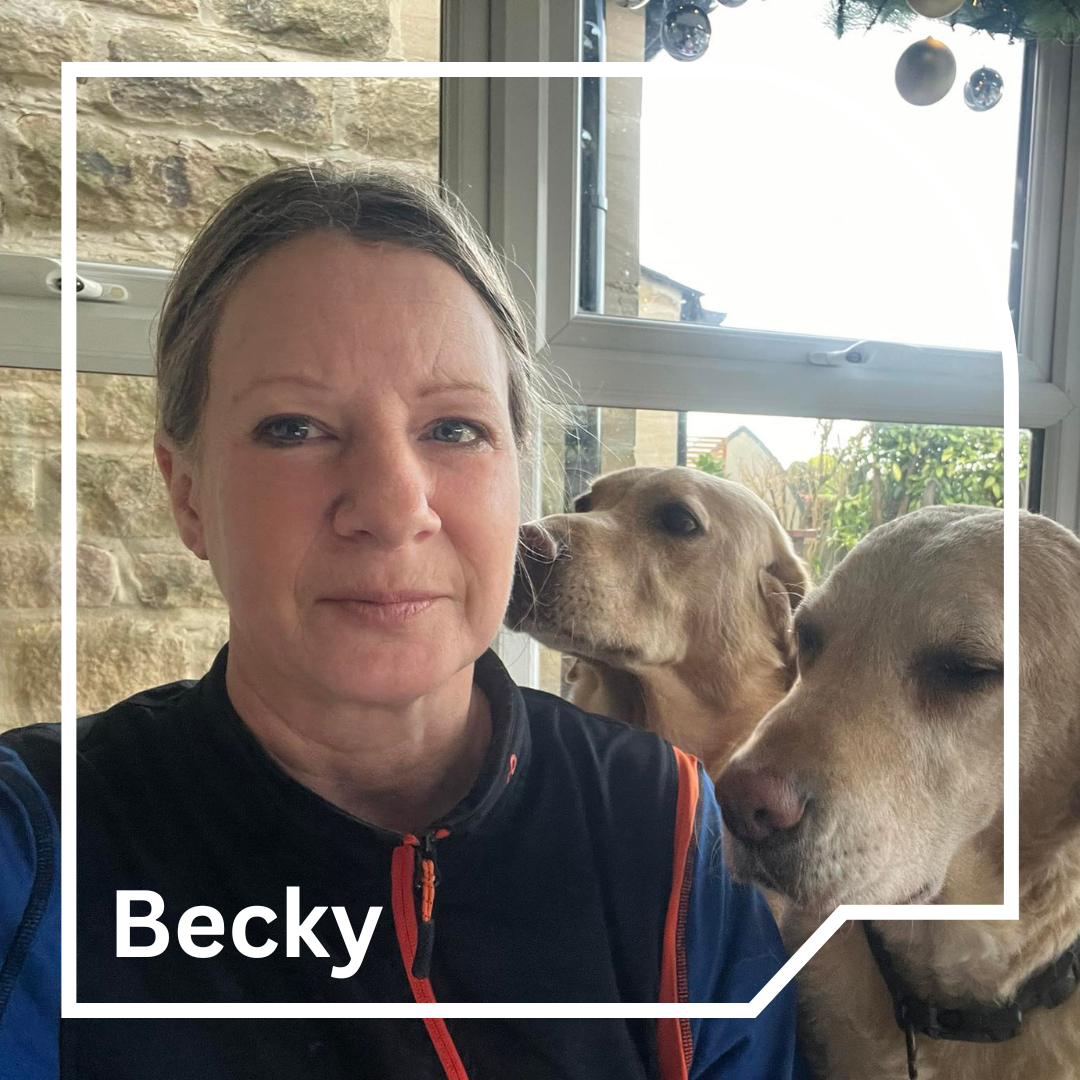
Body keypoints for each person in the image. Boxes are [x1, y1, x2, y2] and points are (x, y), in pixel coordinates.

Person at [0, 165, 810, 1079]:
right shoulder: (37, 848)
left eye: (455, 429)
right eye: (294, 427)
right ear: (188, 494)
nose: (392, 506)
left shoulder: (671, 831)